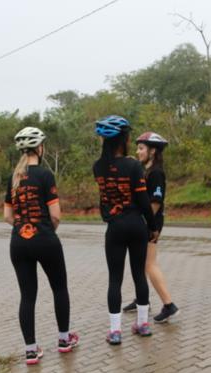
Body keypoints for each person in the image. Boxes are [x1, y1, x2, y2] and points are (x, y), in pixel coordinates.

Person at [4, 127, 78, 365]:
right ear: (39, 148)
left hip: (18, 242)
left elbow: (7, 215)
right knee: (59, 288)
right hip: (45, 239)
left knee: (27, 296)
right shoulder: (45, 175)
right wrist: (45, 231)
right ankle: (64, 340)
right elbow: (56, 215)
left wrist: (23, 228)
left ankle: (30, 350)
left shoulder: (14, 178)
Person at [93, 115, 158, 344]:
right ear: (124, 139)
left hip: (115, 227)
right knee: (139, 274)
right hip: (136, 225)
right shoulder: (133, 165)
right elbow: (143, 200)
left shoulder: (98, 167)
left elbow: (103, 199)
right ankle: (142, 325)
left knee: (114, 279)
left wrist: (107, 215)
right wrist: (153, 226)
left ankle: (115, 331)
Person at [122, 132, 179, 323]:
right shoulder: (143, 169)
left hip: (151, 222)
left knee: (149, 263)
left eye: (141, 148)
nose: (138, 152)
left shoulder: (156, 173)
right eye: (137, 148)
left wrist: (146, 223)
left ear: (153, 151)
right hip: (143, 221)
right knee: (140, 263)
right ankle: (141, 298)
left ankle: (169, 304)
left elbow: (155, 202)